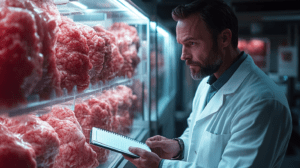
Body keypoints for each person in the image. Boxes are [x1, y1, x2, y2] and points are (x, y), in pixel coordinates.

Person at [123, 0, 293, 167]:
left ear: (224, 38)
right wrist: (179, 147)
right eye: (182, 45)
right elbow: (197, 135)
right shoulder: (207, 84)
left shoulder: (262, 102)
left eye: (192, 43)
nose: (183, 56)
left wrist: (160, 166)